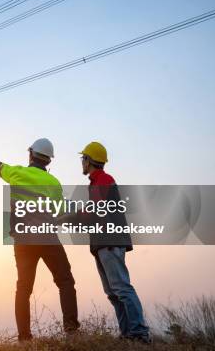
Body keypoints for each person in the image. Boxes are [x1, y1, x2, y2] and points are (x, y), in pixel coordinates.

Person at [0, 138, 79, 341]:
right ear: (48, 161)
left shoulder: (18, 173)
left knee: (24, 288)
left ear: (30, 155)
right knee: (65, 281)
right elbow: (60, 211)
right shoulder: (53, 183)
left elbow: (1, 168)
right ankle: (71, 331)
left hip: (23, 240)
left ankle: (24, 338)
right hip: (47, 237)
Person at [78, 141, 151, 343]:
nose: (81, 163)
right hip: (103, 243)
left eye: (82, 158)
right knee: (112, 292)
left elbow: (94, 210)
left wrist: (70, 215)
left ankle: (140, 333)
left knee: (121, 289)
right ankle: (127, 334)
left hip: (110, 242)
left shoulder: (103, 179)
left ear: (88, 160)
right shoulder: (96, 181)